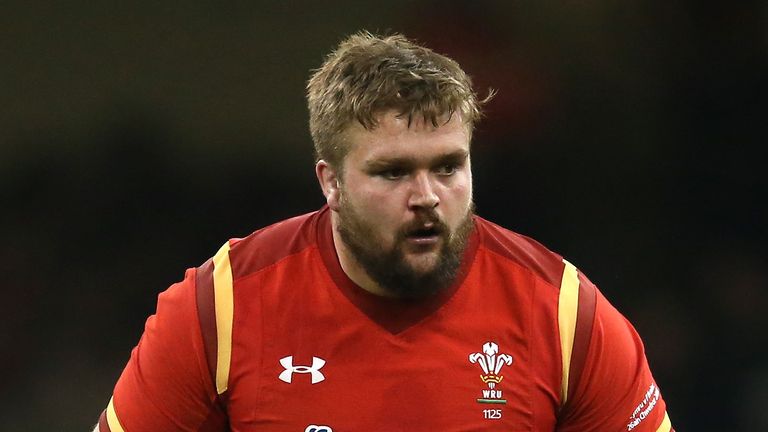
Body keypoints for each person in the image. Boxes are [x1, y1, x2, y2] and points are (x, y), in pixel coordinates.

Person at [95, 31, 673, 431]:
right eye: (392, 171)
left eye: (448, 166)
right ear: (331, 182)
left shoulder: (564, 314)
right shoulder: (219, 309)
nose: (426, 197)